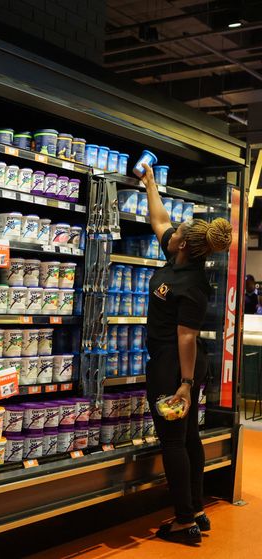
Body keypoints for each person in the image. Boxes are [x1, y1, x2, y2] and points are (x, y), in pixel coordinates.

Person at [139, 162, 233, 544]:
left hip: (176, 365)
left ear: (182, 245)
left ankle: (183, 521)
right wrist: (149, 184)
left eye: (177, 230)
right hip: (176, 364)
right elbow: (159, 219)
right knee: (189, 436)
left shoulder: (191, 284)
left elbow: (187, 337)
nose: (172, 227)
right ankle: (195, 509)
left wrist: (185, 384)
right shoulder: (178, 257)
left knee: (174, 441)